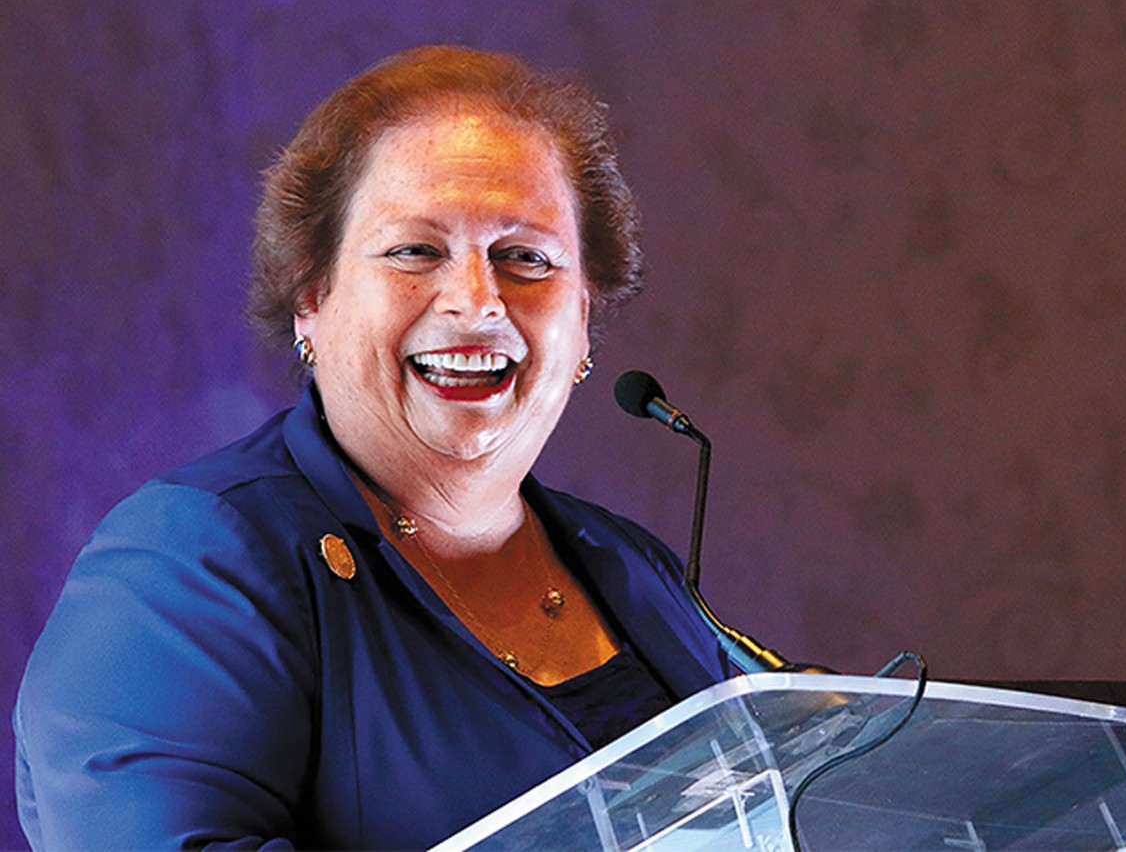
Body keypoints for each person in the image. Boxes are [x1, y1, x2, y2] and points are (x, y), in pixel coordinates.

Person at [14, 45, 734, 849]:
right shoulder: (193, 562)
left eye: (526, 258)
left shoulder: (632, 566)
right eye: (415, 251)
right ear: (310, 296)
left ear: (586, 316)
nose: (477, 303)